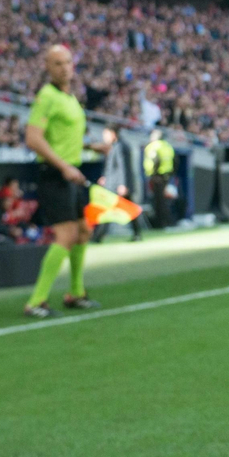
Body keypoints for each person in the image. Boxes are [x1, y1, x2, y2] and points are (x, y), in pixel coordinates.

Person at [23, 45, 101, 318]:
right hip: (55, 175)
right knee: (66, 234)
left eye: (67, 62)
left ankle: (76, 293)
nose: (64, 67)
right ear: (48, 67)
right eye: (57, 63)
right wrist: (64, 166)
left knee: (83, 231)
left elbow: (65, 138)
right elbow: (33, 138)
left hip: (72, 173)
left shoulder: (70, 98)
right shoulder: (47, 96)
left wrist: (91, 147)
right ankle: (36, 300)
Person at [93, 126, 142, 242]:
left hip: (118, 186)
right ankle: (99, 236)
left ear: (113, 133)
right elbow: (113, 167)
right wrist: (105, 177)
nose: (104, 137)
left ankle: (98, 236)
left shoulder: (121, 147)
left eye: (106, 134)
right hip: (114, 184)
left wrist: (123, 184)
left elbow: (123, 167)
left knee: (111, 210)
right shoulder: (115, 147)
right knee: (116, 210)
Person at [144, 128, 177, 230]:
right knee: (164, 201)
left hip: (157, 177)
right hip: (166, 176)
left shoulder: (153, 146)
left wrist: (154, 175)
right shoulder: (168, 146)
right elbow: (175, 162)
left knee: (158, 202)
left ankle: (161, 224)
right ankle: (168, 222)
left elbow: (155, 160)